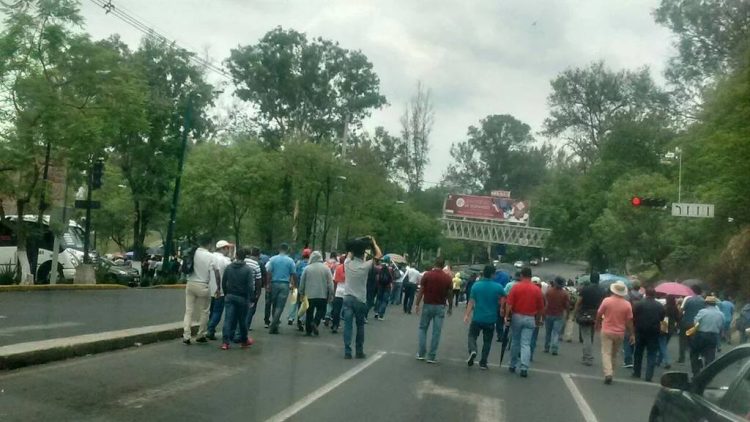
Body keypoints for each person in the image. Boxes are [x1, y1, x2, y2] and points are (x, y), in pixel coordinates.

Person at [342, 236, 382, 359]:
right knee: (360, 325)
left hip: (348, 298)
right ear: (363, 255)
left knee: (347, 325)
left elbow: (350, 251)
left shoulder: (347, 263)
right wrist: (373, 242)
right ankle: (359, 350)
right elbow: (379, 255)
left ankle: (347, 351)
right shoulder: (366, 266)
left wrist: (358, 240)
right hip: (360, 299)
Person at [464, 265, 505, 370]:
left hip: (477, 317)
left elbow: (471, 302)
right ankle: (483, 362)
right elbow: (504, 297)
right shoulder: (498, 287)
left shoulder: (476, 286)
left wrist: (467, 315)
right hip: (490, 319)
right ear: (492, 274)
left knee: (472, 336)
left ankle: (473, 349)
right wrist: (501, 308)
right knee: (487, 341)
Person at [505, 267, 544, 378]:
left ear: (521, 275)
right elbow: (541, 308)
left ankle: (512, 365)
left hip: (517, 316)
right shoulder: (536, 289)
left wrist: (507, 316)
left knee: (515, 341)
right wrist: (537, 320)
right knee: (526, 343)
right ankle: (524, 367)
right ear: (531, 276)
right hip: (530, 317)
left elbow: (509, 304)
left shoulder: (516, 287)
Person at [415, 257, 453, 364]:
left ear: (434, 263)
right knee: (436, 332)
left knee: (423, 329)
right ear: (443, 265)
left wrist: (417, 304)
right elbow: (450, 294)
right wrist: (450, 307)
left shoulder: (427, 275)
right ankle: (431, 356)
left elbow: (421, 291)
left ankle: (421, 353)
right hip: (440, 306)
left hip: (427, 305)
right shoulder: (447, 278)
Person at [182, 237, 220, 345]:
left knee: (188, 311)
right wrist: (218, 287)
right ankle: (200, 334)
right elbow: (217, 272)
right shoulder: (210, 256)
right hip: (203, 285)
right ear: (209, 244)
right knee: (204, 311)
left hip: (190, 283)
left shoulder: (192, 252)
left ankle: (186, 335)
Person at [596, 281, 635, 385]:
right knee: (614, 354)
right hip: (620, 332)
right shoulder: (627, 305)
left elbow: (599, 313)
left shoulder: (607, 301)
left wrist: (597, 324)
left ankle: (608, 373)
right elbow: (629, 321)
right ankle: (611, 372)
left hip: (607, 330)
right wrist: (632, 334)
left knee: (606, 353)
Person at [219, 248, 256, 350]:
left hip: (230, 296)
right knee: (242, 321)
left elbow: (224, 282)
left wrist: (226, 293)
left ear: (236, 256)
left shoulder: (229, 267)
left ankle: (225, 343)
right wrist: (252, 298)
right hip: (242, 298)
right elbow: (250, 286)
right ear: (245, 257)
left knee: (228, 320)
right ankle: (244, 341)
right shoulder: (247, 269)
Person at [632, 288, 665, 382]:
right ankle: (649, 375)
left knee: (638, 351)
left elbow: (633, 316)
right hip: (654, 331)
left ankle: (637, 372)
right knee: (652, 353)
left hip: (640, 330)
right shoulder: (659, 306)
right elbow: (662, 318)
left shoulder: (639, 304)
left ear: (646, 294)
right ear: (654, 295)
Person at [299, 251, 334, 336]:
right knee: (321, 310)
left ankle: (308, 331)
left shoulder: (307, 268)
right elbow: (330, 283)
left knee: (309, 312)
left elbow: (302, 282)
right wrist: (331, 294)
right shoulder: (326, 268)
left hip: (309, 295)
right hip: (322, 295)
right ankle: (315, 322)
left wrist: (301, 292)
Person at [266, 243, 297, 334]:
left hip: (274, 283)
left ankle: (274, 323)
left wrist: (268, 284)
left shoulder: (273, 259)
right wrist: (295, 285)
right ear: (287, 249)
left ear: (279, 249)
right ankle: (274, 324)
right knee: (280, 306)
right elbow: (294, 274)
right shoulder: (290, 261)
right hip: (285, 284)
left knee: (274, 304)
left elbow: (269, 272)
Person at [574, 272, 604, 366]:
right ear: (598, 279)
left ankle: (587, 357)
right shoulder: (602, 290)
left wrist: (575, 312)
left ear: (590, 279)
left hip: (585, 314)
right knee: (591, 336)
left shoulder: (585, 289)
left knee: (586, 337)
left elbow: (579, 302)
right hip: (596, 315)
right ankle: (588, 354)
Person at [690, 295, 724, 375]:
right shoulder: (720, 314)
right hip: (713, 336)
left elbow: (695, 323)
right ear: (715, 304)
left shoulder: (702, 311)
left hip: (701, 335)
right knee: (710, 356)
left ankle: (696, 372)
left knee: (695, 353)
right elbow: (722, 326)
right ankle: (707, 374)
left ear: (706, 303)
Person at [207, 240, 233, 341]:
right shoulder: (225, 261)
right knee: (217, 312)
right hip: (220, 290)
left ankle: (211, 331)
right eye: (228, 248)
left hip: (209, 289)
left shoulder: (210, 257)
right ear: (224, 248)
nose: (228, 250)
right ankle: (210, 329)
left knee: (211, 311)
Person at [544, 277, 570, 356]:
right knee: (556, 333)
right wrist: (567, 314)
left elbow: (545, 303)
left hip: (548, 313)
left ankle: (546, 347)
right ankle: (554, 348)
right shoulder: (565, 293)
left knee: (548, 332)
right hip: (559, 315)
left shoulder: (549, 291)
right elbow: (567, 306)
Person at [679, 286, 705, 363]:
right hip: (695, 325)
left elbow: (682, 310)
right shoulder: (703, 301)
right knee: (694, 341)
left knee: (683, 341)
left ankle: (682, 358)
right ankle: (695, 357)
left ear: (693, 291)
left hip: (686, 323)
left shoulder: (688, 300)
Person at [288, 248, 311, 331]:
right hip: (305, 288)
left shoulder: (298, 263)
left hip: (296, 286)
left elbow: (293, 274)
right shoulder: (310, 265)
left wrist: (292, 284)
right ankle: (301, 319)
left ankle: (291, 317)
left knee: (293, 302)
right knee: (304, 304)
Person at [242, 247, 264, 335]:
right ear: (259, 255)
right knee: (250, 309)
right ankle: (245, 329)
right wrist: (258, 293)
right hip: (252, 290)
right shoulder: (257, 264)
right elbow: (259, 279)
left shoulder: (241, 262)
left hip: (239, 289)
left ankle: (237, 330)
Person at [657, 295, 679, 370]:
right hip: (671, 329)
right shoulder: (675, 308)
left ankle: (667, 362)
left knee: (662, 345)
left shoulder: (664, 308)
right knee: (663, 345)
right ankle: (658, 361)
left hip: (663, 328)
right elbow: (678, 318)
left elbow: (660, 317)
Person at [331, 259, 346, 334]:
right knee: (346, 310)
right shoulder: (353, 269)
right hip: (348, 292)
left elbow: (334, 281)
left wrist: (334, 292)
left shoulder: (338, 268)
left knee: (336, 309)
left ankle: (335, 325)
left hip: (339, 291)